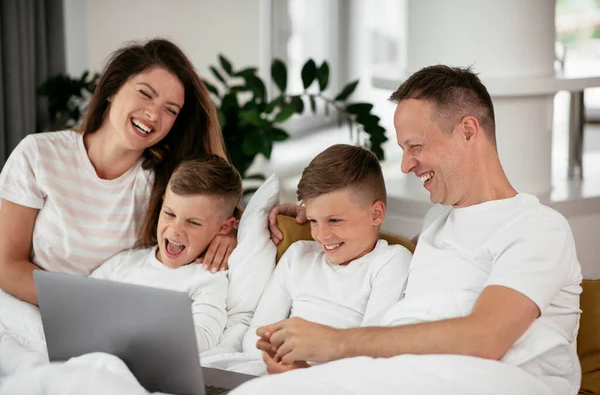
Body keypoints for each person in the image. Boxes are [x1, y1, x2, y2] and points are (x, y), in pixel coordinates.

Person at [235, 65, 583, 395]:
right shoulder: (437, 222)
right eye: (403, 149)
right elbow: (381, 256)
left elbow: (485, 339)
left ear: (468, 131)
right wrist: (321, 216)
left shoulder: (538, 228)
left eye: (415, 146)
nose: (405, 165)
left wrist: (335, 344)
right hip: (401, 375)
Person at [0, 38, 236, 306]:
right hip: (32, 310)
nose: (153, 114)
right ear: (112, 89)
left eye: (170, 110)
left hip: (115, 323)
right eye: (145, 94)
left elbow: (213, 213)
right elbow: (7, 264)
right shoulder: (39, 154)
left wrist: (228, 234)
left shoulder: (165, 183)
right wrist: (85, 305)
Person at [240, 144, 412, 373]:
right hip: (271, 369)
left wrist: (301, 369)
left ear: (376, 214)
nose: (321, 235)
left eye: (334, 221)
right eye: (313, 221)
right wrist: (280, 359)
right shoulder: (299, 255)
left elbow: (372, 346)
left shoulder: (390, 261)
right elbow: (256, 337)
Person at [91, 155, 242, 353]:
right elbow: (84, 303)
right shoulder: (126, 262)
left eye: (193, 222)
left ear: (224, 227)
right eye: (170, 214)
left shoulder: (208, 278)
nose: (175, 230)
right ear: (162, 204)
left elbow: (205, 336)